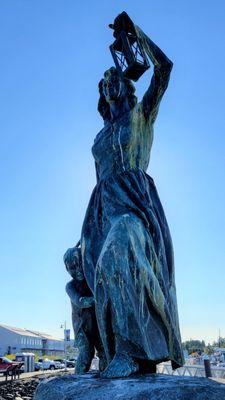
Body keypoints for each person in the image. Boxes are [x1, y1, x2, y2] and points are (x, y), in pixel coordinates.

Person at [78, 13, 184, 378]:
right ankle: (110, 353)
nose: (108, 85)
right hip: (102, 211)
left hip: (135, 205)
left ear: (126, 87)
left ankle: (131, 350)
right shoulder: (98, 140)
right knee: (103, 272)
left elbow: (165, 69)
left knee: (121, 246)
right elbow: (98, 179)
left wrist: (135, 34)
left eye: (114, 79)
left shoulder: (141, 116)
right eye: (103, 83)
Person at [64, 246, 106, 373]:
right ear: (67, 269)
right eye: (72, 267)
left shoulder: (92, 280)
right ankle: (77, 382)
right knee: (86, 353)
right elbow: (80, 301)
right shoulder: (70, 286)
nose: (77, 270)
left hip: (98, 325)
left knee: (104, 352)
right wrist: (97, 299)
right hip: (82, 327)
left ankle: (106, 382)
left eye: (79, 265)